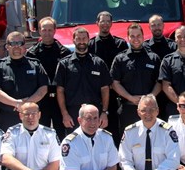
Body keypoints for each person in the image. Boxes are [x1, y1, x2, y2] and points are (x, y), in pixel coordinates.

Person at [55, 27, 112, 136]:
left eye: (84, 38)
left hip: (95, 113)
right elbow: (60, 90)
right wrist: (65, 114)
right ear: (73, 40)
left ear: (88, 40)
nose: (81, 41)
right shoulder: (64, 64)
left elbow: (105, 89)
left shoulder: (98, 63)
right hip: (72, 114)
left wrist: (104, 112)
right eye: (78, 38)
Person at [0, 31, 49, 131]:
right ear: (7, 46)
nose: (16, 46)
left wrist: (26, 104)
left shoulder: (35, 65)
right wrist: (16, 103)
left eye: (20, 43)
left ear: (25, 46)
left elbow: (43, 89)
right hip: (7, 118)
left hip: (31, 117)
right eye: (12, 43)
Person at [111, 23, 161, 134]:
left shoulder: (153, 58)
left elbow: (160, 82)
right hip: (128, 109)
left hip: (149, 110)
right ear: (128, 38)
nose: (136, 39)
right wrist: (130, 97)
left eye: (138, 36)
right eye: (132, 36)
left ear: (143, 37)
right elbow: (115, 83)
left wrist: (149, 98)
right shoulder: (120, 59)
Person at [26, 16, 72, 135]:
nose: (47, 33)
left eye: (50, 30)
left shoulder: (64, 52)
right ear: (39, 31)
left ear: (55, 31)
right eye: (44, 30)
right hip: (41, 101)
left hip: (60, 100)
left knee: (61, 134)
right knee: (40, 133)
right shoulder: (32, 53)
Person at [88, 11, 128, 143]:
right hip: (96, 94)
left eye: (107, 21)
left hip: (116, 94)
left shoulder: (120, 44)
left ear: (111, 23)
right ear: (97, 23)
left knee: (117, 129)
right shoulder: (90, 45)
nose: (105, 24)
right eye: (102, 21)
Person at [143, 14, 177, 120]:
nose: (156, 27)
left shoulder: (173, 46)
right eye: (153, 25)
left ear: (163, 26)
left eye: (159, 25)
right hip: (151, 91)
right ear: (149, 27)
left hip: (170, 94)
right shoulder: (145, 47)